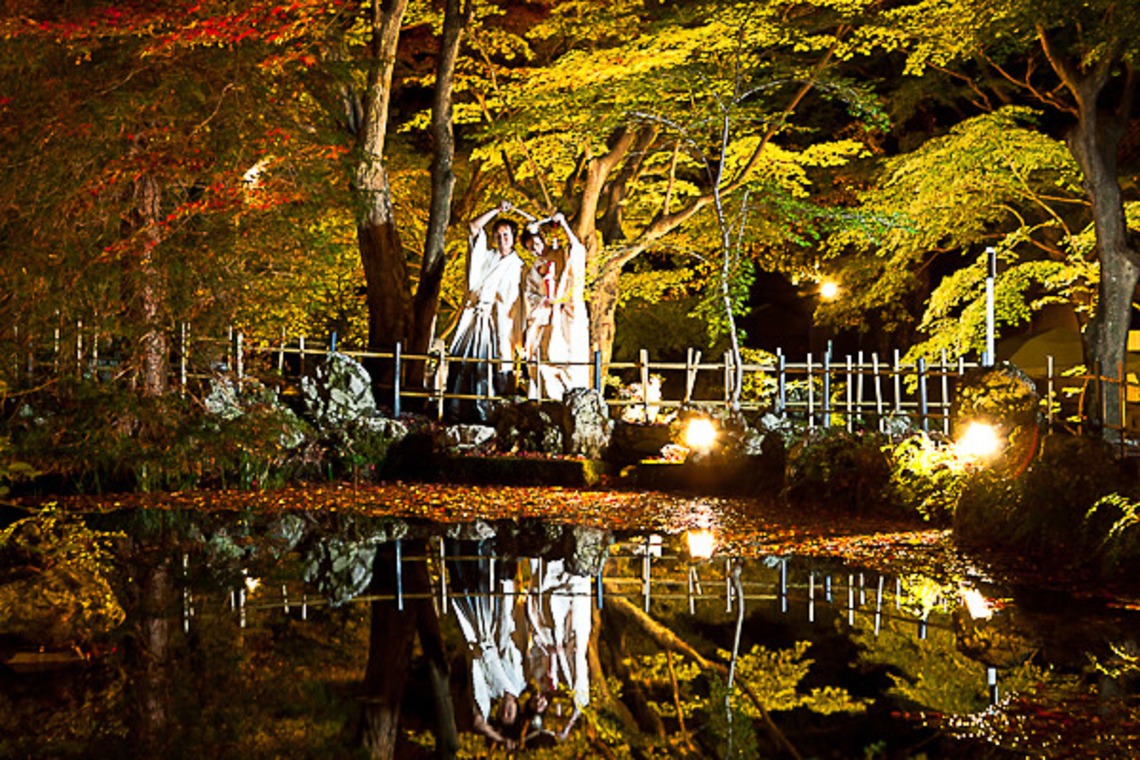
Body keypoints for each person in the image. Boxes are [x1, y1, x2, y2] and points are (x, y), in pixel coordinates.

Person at [446, 201, 526, 423]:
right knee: (462, 359)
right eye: (498, 235)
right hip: (474, 315)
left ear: (514, 237)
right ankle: (456, 410)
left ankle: (492, 414)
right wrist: (496, 210)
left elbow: (517, 302)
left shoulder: (518, 266)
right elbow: (473, 227)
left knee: (496, 363)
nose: (502, 239)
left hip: (498, 320)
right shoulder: (486, 256)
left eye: (507, 235)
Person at [447, 539, 528, 748]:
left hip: (477, 634)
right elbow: (515, 646)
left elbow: (477, 722)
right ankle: (486, 540)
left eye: (502, 714)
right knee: (488, 580)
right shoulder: (520, 682)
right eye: (510, 714)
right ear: (517, 710)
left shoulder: (488, 694)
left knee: (463, 583)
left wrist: (499, 738)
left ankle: (454, 543)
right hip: (495, 626)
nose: (506, 711)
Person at [522, 212, 591, 401]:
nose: (535, 251)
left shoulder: (562, 255)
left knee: (571, 355)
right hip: (546, 318)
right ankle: (547, 398)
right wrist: (544, 302)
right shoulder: (533, 270)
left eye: (536, 244)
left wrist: (564, 225)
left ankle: (575, 397)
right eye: (530, 249)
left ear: (542, 239)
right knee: (544, 359)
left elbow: (577, 251)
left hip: (567, 314)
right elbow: (530, 296)